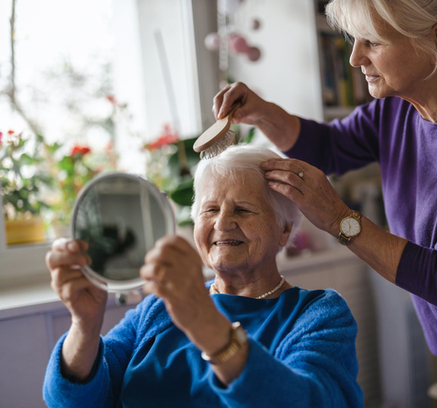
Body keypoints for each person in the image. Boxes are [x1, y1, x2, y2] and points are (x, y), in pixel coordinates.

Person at [212, 0, 437, 406]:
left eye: (372, 42)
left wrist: (339, 219)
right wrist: (263, 113)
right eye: (355, 40)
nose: (356, 56)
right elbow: (329, 147)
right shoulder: (395, 108)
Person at [43, 145, 364, 408]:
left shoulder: (317, 314)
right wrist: (84, 326)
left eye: (243, 209)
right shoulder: (156, 309)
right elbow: (72, 400)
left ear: (283, 229)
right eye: (210, 210)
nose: (222, 223)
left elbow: (309, 401)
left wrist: (202, 321)